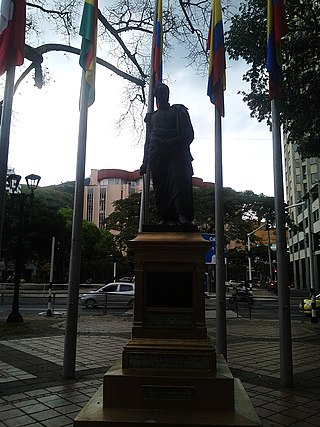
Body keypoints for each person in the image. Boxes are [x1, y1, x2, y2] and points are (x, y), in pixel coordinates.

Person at [140, 83, 194, 225]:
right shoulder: (152, 117)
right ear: (156, 97)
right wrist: (145, 162)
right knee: (160, 186)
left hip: (176, 153)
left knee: (178, 181)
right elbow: (148, 141)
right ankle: (165, 216)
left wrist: (171, 142)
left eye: (164, 93)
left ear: (168, 95)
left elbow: (189, 135)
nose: (162, 97)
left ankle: (181, 214)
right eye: (159, 94)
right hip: (157, 155)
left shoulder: (178, 111)